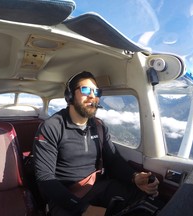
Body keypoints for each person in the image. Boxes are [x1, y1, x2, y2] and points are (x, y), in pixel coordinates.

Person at [33, 71, 159, 216]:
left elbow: (113, 160)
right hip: (65, 196)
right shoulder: (52, 127)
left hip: (97, 186)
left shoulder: (98, 126)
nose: (92, 96)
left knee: (146, 204)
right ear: (70, 96)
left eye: (96, 92)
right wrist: (83, 209)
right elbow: (45, 178)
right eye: (85, 90)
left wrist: (135, 177)